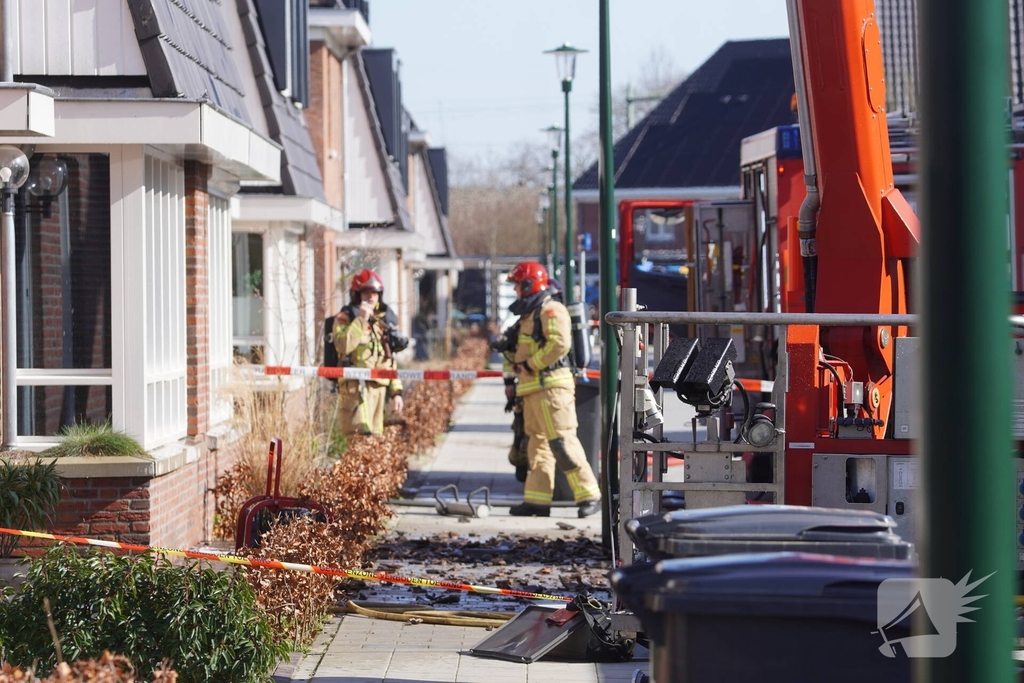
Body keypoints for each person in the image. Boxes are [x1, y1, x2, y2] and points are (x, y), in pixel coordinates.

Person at [499, 260, 601, 517]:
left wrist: (530, 365)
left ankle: (589, 495)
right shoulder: (528, 314)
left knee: (563, 442)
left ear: (529, 283)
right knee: (537, 446)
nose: (516, 291)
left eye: (518, 285)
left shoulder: (551, 309)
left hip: (552, 389)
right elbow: (519, 349)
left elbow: (560, 343)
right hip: (532, 390)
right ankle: (537, 500)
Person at [332, 269, 405, 435]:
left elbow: (389, 360)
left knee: (376, 443)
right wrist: (361, 320)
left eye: (375, 293)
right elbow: (344, 346)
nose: (371, 297)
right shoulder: (345, 318)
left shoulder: (383, 322)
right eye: (366, 293)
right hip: (355, 390)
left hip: (379, 391)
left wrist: (396, 393)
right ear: (357, 296)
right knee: (359, 442)